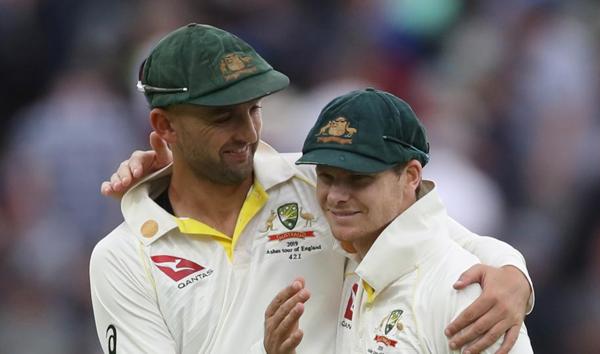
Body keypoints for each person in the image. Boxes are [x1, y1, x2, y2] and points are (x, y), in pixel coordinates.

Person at [92, 23, 533, 354]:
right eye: (222, 118)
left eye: (254, 110)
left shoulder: (314, 182)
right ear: (164, 125)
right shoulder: (123, 259)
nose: (247, 133)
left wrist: (515, 279)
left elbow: (440, 241)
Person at [265, 88, 533, 353]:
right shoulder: (352, 259)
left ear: (411, 176)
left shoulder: (466, 296)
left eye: (359, 179)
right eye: (326, 177)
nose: (336, 196)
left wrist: (513, 271)